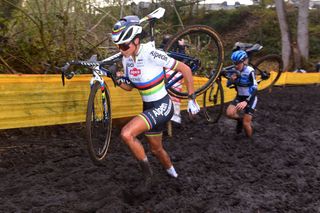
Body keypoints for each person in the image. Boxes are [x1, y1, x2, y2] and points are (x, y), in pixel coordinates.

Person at [111, 15, 200, 193]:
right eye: (118, 46)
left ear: (136, 41)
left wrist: (191, 98)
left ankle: (148, 176)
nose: (121, 50)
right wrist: (115, 78)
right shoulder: (126, 59)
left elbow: (185, 69)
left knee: (127, 134)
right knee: (156, 149)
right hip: (148, 107)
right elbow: (130, 87)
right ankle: (174, 175)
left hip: (162, 105)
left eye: (124, 45)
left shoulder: (151, 53)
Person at [225, 50, 258, 139]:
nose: (236, 65)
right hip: (239, 96)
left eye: (238, 63)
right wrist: (231, 80)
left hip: (250, 98)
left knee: (246, 124)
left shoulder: (250, 71)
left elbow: (255, 89)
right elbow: (227, 85)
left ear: (244, 62)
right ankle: (239, 120)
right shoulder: (234, 70)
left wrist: (246, 102)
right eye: (234, 63)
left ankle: (250, 140)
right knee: (229, 113)